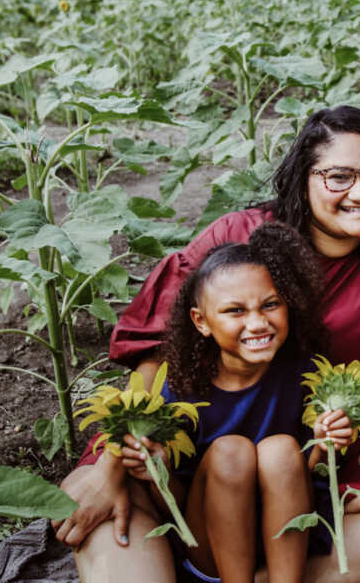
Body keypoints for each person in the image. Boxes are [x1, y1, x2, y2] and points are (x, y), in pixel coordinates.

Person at [54, 106, 360, 583]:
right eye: (339, 176)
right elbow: (156, 344)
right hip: (182, 456)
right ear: (303, 178)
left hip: (316, 460)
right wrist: (113, 465)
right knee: (91, 514)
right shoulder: (241, 238)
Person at [117, 228, 347, 582]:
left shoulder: (306, 371)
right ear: (201, 322)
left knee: (283, 450)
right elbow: (173, 509)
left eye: (270, 305)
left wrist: (325, 443)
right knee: (230, 452)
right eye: (235, 311)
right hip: (211, 543)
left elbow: (314, 478)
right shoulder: (179, 391)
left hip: (286, 534)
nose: (257, 323)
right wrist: (157, 472)